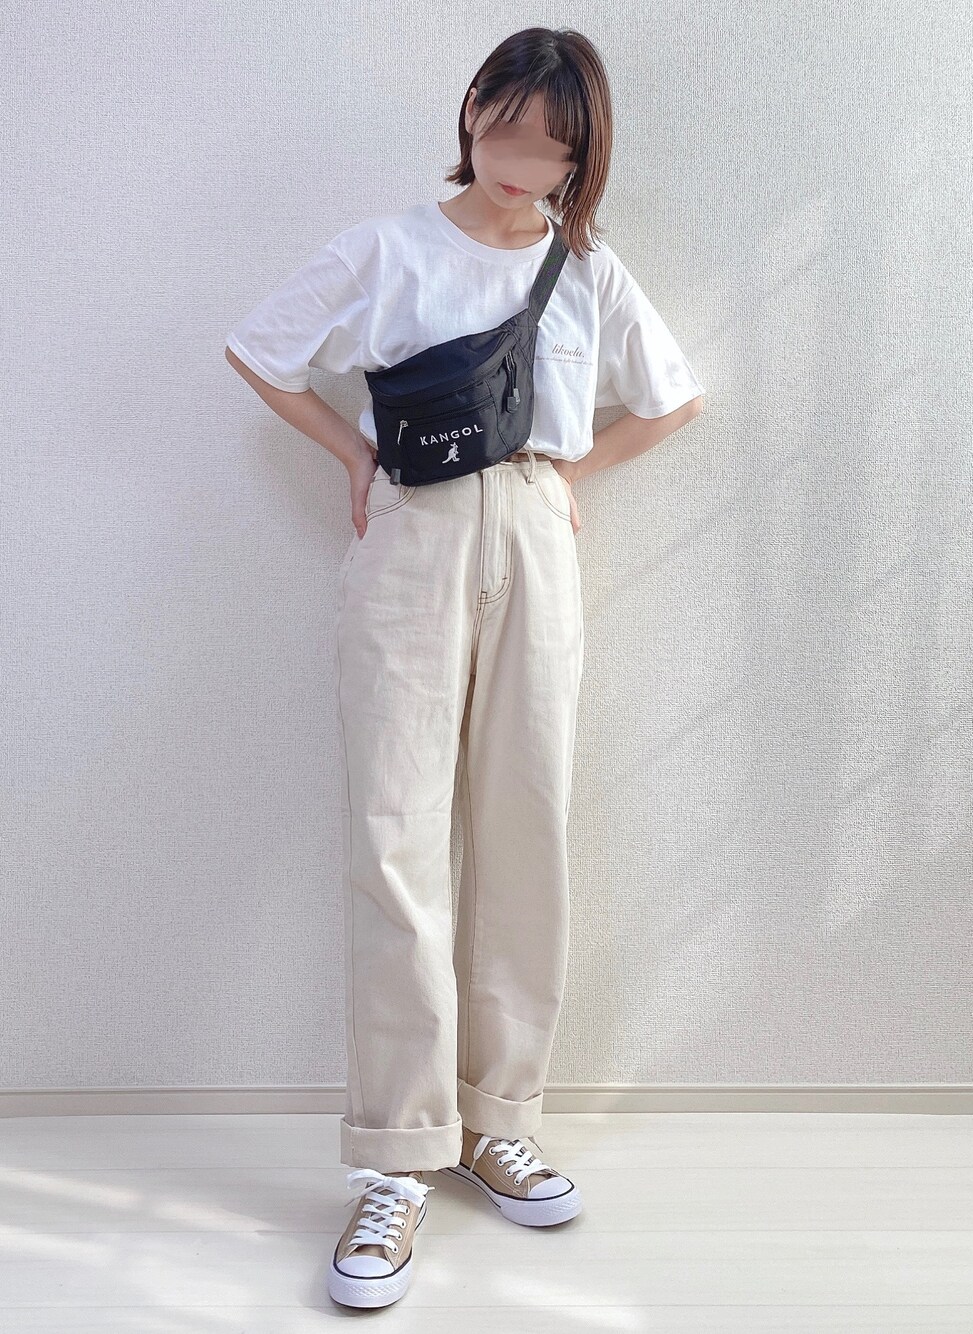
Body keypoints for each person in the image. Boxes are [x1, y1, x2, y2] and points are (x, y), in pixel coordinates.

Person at [225, 26, 705, 1311]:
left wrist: (566, 476)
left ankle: (498, 1121)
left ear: (581, 156)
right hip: (412, 538)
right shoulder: (386, 249)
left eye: (552, 148)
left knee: (524, 828)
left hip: (534, 536)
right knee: (394, 837)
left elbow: (671, 397)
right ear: (471, 108)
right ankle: (396, 1154)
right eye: (505, 130)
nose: (520, 164)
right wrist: (351, 454)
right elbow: (262, 349)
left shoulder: (586, 267)